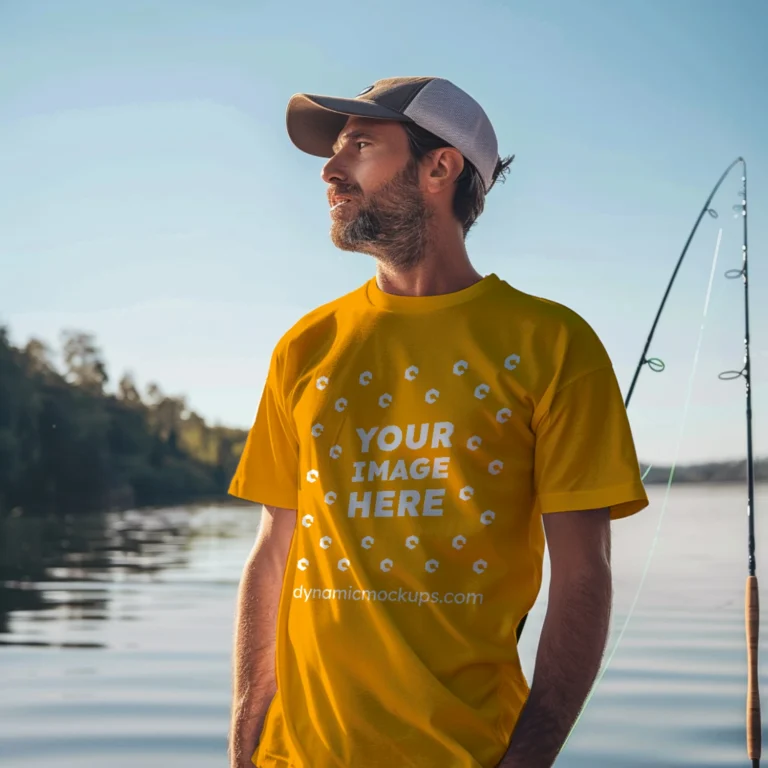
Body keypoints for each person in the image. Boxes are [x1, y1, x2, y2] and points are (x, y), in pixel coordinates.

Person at [227, 76, 649, 768]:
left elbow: (583, 574)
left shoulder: (552, 345)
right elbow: (275, 551)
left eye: (360, 145)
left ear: (439, 166)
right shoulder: (305, 346)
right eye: (335, 152)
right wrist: (246, 741)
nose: (331, 170)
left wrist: (528, 759)